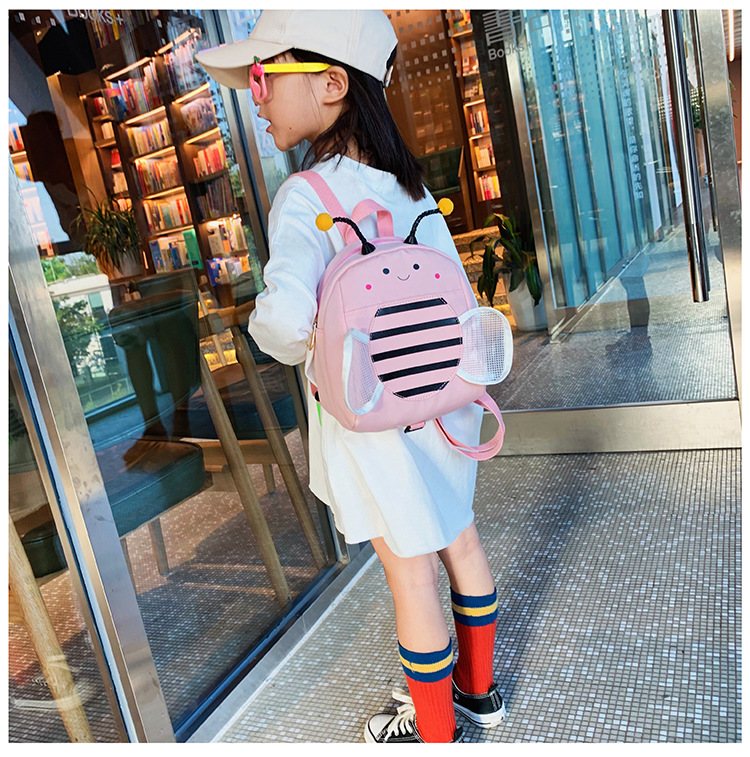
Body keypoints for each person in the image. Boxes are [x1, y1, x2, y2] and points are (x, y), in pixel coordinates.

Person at [196, 9, 506, 744]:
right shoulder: (413, 186)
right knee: (461, 541)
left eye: (263, 77)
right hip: (444, 402)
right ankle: (480, 693)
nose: (256, 97)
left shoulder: (307, 196)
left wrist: (267, 326)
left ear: (333, 84)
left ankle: (435, 732)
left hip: (373, 420)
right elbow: (456, 296)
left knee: (410, 573)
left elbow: (283, 322)